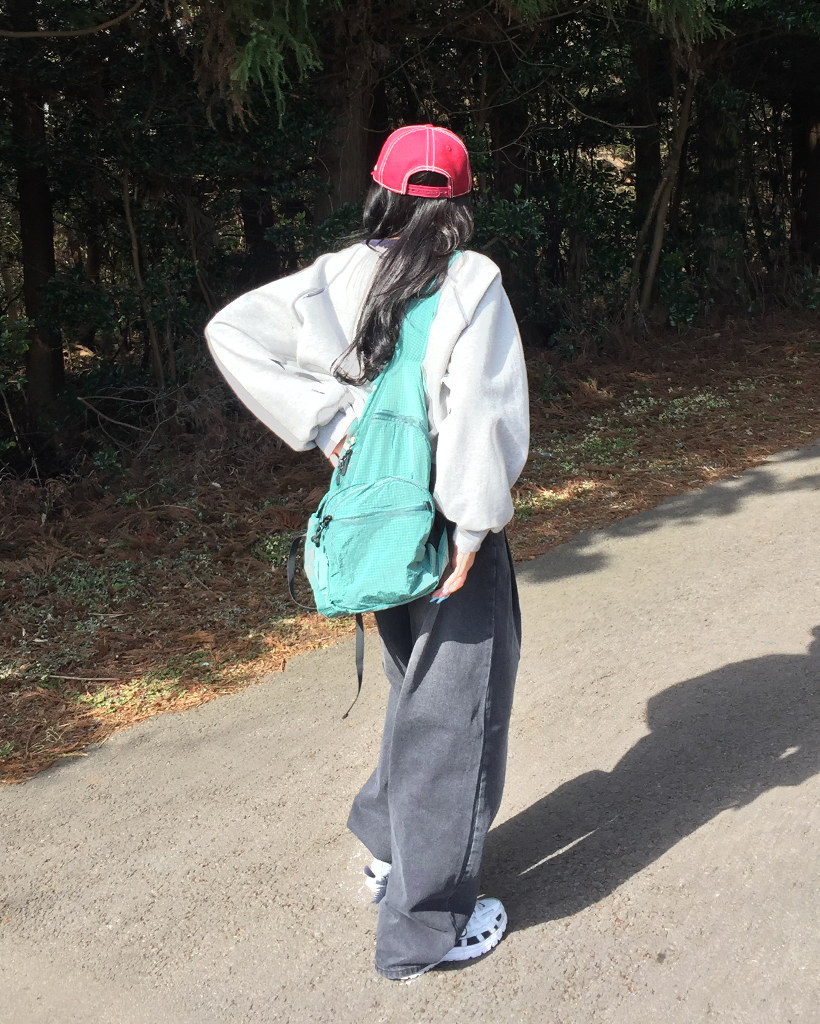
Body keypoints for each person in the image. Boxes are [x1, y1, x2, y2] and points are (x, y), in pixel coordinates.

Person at [205, 124, 529, 980]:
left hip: (373, 523)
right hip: (444, 525)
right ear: (461, 202)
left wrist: (327, 424)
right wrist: (471, 528)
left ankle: (389, 847)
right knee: (456, 716)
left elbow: (231, 332)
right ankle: (425, 929)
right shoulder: (473, 281)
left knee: (413, 693)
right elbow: (478, 413)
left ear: (380, 192)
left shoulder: (336, 278)